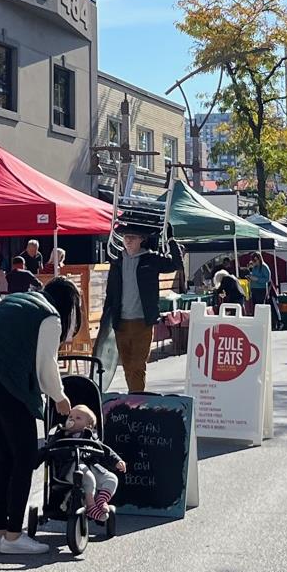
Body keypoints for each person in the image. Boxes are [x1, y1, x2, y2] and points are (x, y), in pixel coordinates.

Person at [0, 278, 79, 554]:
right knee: (23, 459)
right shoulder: (49, 316)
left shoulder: (14, 300)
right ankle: (13, 537)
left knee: (5, 459)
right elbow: (46, 363)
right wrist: (59, 397)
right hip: (5, 387)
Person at [100, 223, 182, 393]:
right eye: (126, 236)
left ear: (142, 240)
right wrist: (105, 322)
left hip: (142, 322)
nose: (128, 240)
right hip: (121, 322)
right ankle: (135, 396)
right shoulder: (117, 263)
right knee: (128, 366)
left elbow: (176, 264)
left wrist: (171, 239)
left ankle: (136, 398)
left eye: (133, 237)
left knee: (137, 365)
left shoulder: (151, 260)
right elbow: (111, 294)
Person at [44, 404, 126, 521]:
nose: (72, 419)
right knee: (88, 477)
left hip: (91, 466)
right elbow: (48, 448)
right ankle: (91, 506)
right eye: (70, 416)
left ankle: (100, 500)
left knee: (112, 479)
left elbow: (105, 450)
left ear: (88, 426)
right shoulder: (60, 434)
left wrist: (117, 460)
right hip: (70, 468)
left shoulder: (90, 437)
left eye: (78, 418)